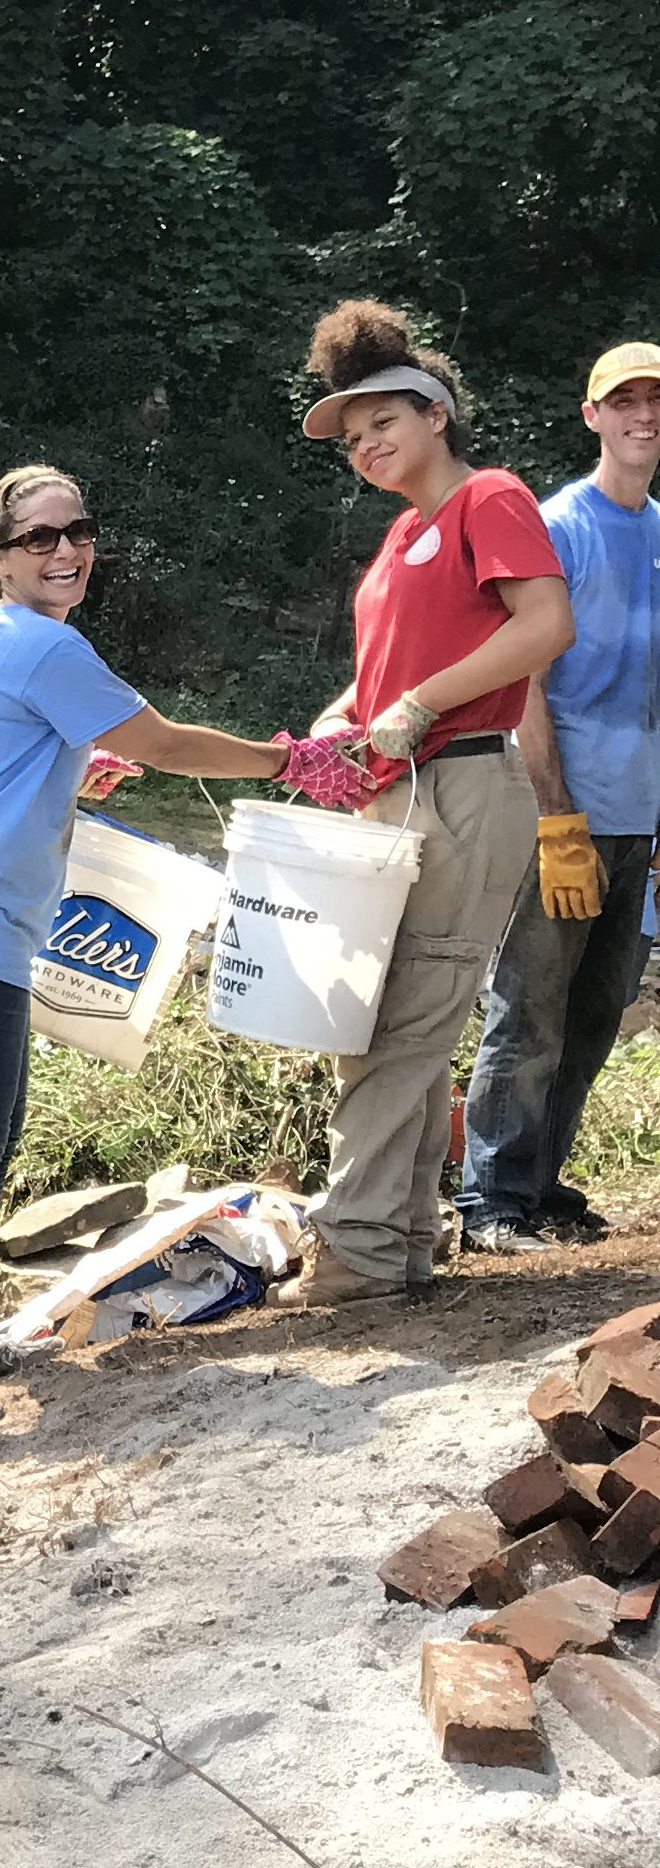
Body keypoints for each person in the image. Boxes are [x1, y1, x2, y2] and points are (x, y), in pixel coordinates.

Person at [0, 468, 298, 1432]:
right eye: (39, 539)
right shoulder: (42, 647)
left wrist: (63, 768)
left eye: (78, 532)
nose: (66, 552)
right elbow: (171, 744)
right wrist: (284, 759)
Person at [288, 301, 575, 1307]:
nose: (366, 445)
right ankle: (400, 1242)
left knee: (398, 1025)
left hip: (459, 783)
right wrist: (341, 721)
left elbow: (545, 626)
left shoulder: (487, 499)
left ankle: (356, 1252)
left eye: (383, 424)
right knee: (383, 1022)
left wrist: (419, 703)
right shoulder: (402, 535)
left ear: (435, 414)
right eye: (352, 436)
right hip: (397, 788)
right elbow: (382, 678)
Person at [453, 344, 660, 1251]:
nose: (643, 417)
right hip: (563, 809)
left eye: (656, 402)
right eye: (625, 402)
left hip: (640, 818)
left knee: (596, 1015)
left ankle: (540, 1186)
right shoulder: (557, 526)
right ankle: (489, 1197)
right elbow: (524, 680)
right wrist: (554, 813)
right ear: (593, 417)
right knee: (528, 1006)